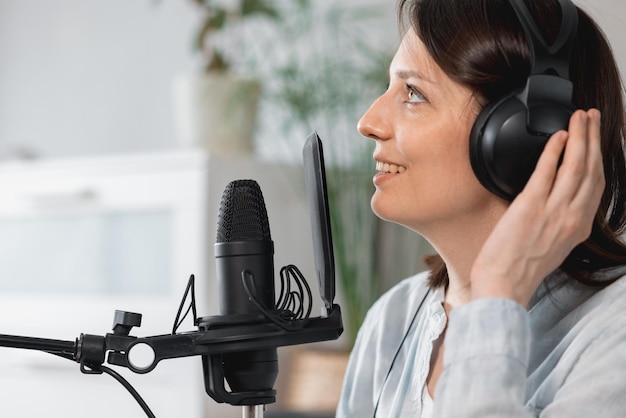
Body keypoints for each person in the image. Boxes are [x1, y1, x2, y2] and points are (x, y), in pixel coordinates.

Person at [336, 0, 626, 417]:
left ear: (526, 138)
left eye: (413, 93)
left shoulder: (613, 328)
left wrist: (497, 293)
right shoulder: (393, 319)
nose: (367, 121)